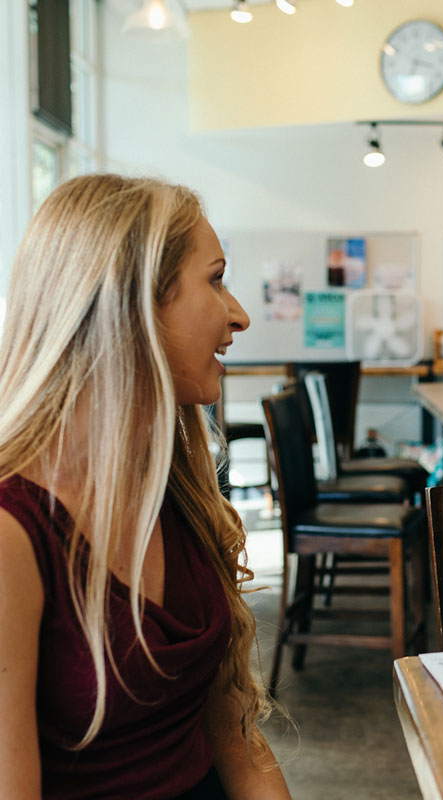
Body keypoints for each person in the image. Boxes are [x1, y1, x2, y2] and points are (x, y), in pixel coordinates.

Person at [0, 174, 291, 799]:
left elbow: (237, 742)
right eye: (214, 279)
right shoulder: (13, 530)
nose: (237, 313)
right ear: (131, 305)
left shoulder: (174, 489)